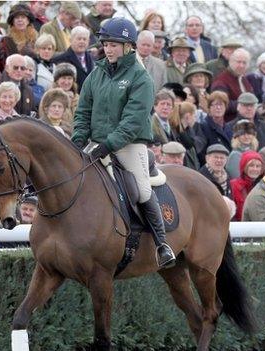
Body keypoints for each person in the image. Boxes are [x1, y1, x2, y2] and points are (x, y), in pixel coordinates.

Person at [70, 17, 175, 267]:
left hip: (128, 144)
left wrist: (107, 145)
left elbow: (133, 120)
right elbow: (83, 112)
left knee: (140, 189)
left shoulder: (141, 78)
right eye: (106, 44)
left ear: (129, 46)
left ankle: (162, 244)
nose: (108, 49)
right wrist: (77, 142)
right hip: (95, 142)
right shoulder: (96, 74)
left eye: (114, 44)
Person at [211, 48, 254, 121]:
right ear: (231, 62)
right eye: (238, 62)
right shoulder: (221, 81)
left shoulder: (244, 79)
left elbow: (252, 99)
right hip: (229, 124)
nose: (241, 66)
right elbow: (221, 105)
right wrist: (244, 104)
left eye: (244, 63)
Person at [52, 26, 95, 93]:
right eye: (79, 39)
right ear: (71, 40)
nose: (82, 42)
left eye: (84, 39)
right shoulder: (60, 60)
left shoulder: (91, 59)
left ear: (88, 41)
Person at [229, 150, 264, 221]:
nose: (255, 169)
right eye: (251, 166)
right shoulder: (233, 185)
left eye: (258, 166)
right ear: (244, 167)